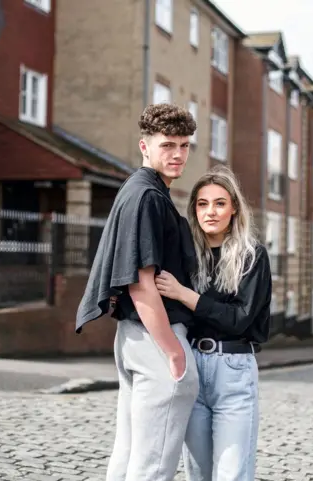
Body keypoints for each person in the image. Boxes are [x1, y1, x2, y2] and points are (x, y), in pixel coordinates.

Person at [75, 103, 200, 481]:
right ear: (145, 146)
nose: (177, 154)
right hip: (154, 339)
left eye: (184, 145)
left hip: (134, 338)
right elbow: (140, 281)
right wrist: (173, 350)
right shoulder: (147, 197)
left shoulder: (138, 190)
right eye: (168, 145)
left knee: (130, 454)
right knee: (153, 463)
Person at [155, 165, 272, 481]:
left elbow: (239, 320)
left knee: (232, 473)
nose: (211, 211)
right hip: (191, 367)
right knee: (199, 473)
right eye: (202, 203)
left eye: (220, 203)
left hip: (233, 369)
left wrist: (185, 295)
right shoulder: (186, 255)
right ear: (194, 209)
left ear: (234, 208)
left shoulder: (252, 256)